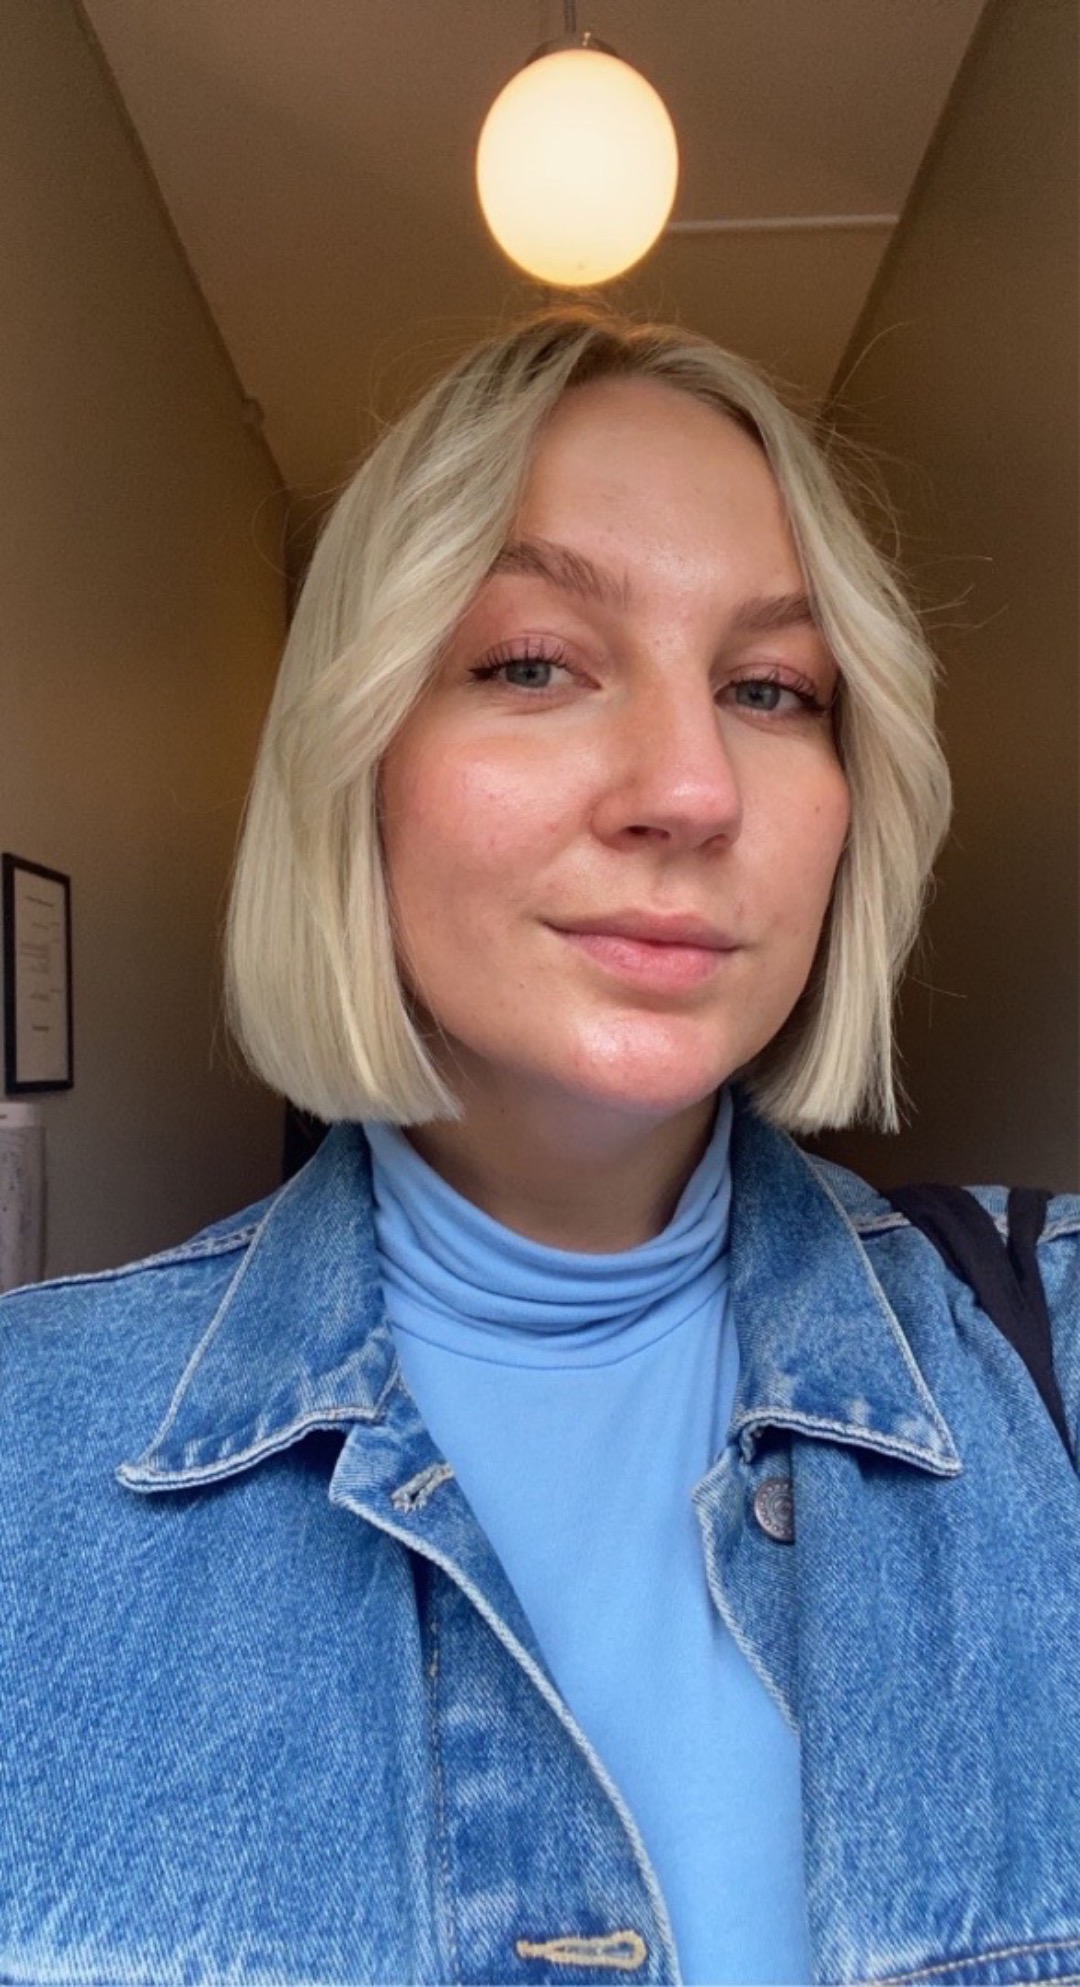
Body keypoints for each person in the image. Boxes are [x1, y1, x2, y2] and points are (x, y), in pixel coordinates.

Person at [2, 307, 1079, 1987]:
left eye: (771, 689)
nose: (691, 789)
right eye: (533, 663)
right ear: (357, 762)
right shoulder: (29, 1453)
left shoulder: (1046, 1355)